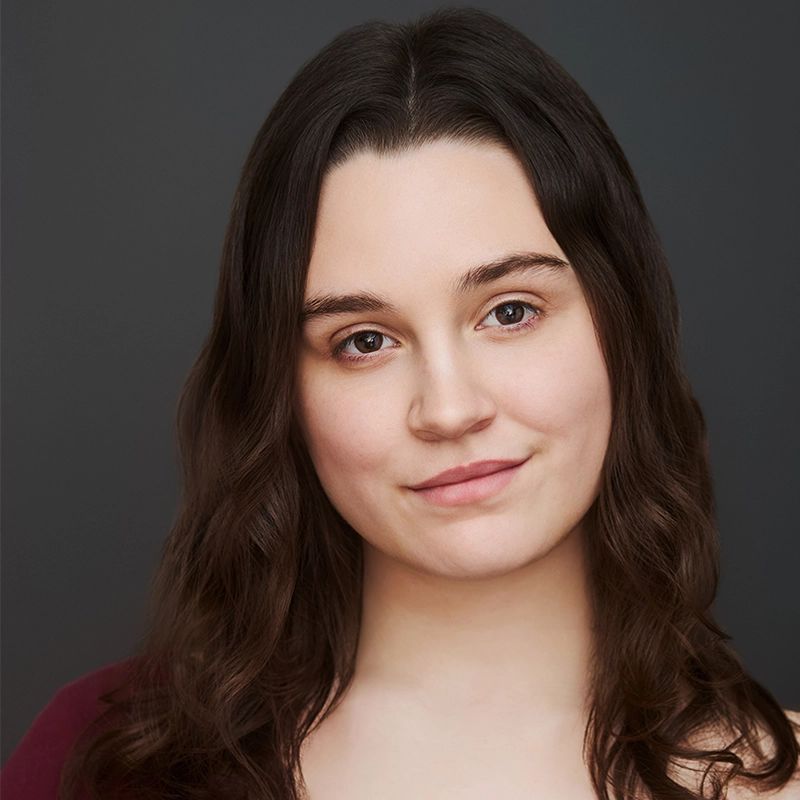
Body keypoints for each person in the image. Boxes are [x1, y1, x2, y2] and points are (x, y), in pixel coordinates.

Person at [3, 6, 798, 800]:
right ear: (283, 389)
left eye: (511, 311)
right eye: (364, 340)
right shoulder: (100, 767)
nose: (450, 410)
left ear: (624, 326)